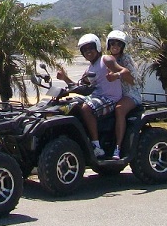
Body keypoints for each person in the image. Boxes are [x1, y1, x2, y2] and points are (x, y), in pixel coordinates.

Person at [57, 33, 125, 160]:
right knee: (69, 103)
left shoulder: (106, 60)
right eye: (85, 50)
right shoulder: (90, 69)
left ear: (97, 47)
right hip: (96, 97)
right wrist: (64, 79)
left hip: (111, 98)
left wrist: (117, 75)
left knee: (86, 108)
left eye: (91, 48)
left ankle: (96, 146)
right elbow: (79, 87)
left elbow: (123, 71)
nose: (88, 51)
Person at [105, 30, 142, 160]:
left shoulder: (126, 59)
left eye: (119, 44)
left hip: (130, 93)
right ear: (108, 44)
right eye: (113, 43)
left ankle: (118, 147)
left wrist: (117, 75)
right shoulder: (106, 59)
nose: (115, 46)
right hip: (113, 94)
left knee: (119, 109)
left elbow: (133, 80)